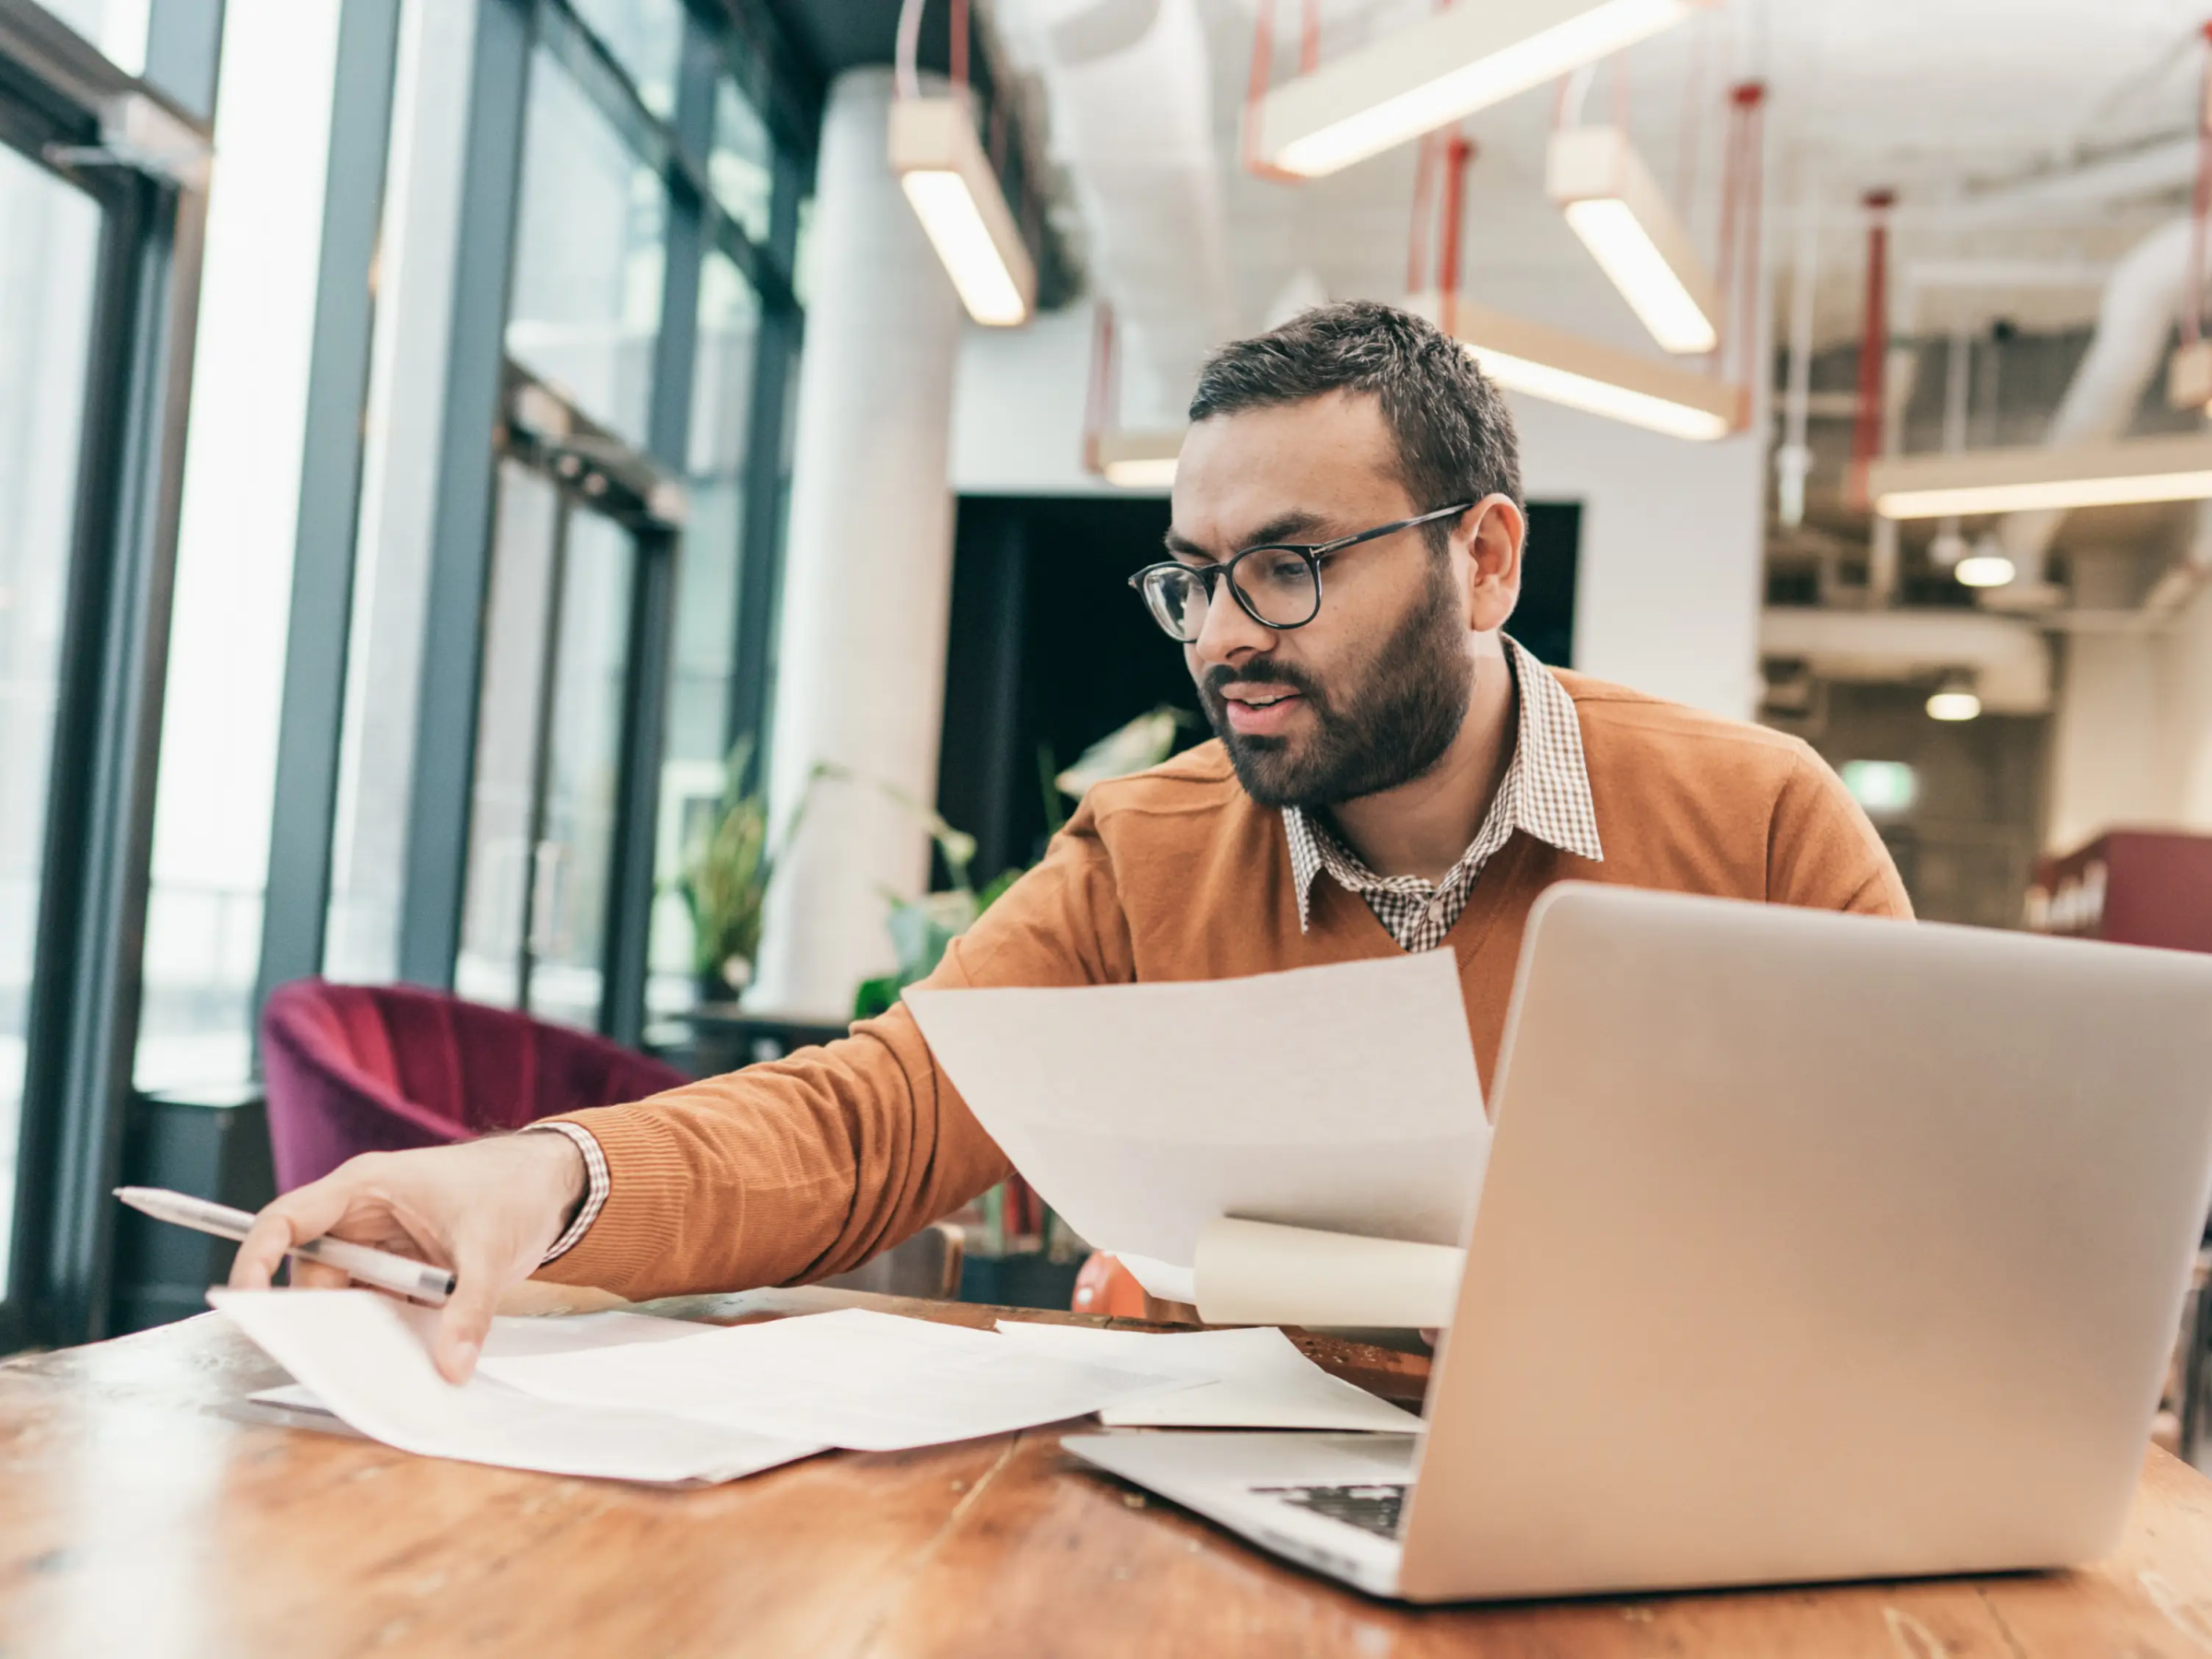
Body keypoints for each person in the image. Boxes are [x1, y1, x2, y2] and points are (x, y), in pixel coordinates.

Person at [232, 300, 1910, 1380]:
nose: (1224, 635)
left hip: (1654, 1503)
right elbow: (875, 1118)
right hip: (1245, 1505)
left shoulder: (1757, 825)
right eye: (1197, 572)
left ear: (1482, 561)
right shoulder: (1147, 852)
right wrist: (547, 1173)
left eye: (1292, 563)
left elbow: (1903, 1237)